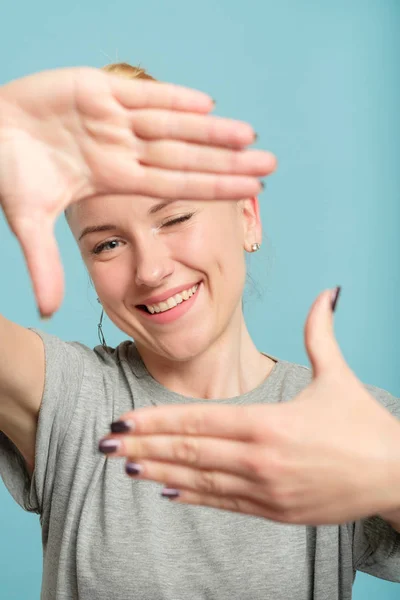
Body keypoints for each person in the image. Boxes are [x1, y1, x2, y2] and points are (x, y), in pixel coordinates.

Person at [0, 62, 399, 600]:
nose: (150, 269)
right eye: (107, 244)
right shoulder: (71, 401)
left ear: (246, 217)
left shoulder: (353, 419)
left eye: (175, 218)